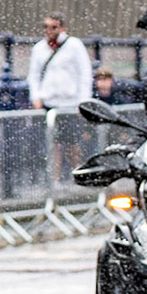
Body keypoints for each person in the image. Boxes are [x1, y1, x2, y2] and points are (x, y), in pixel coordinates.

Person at [28, 14, 94, 179]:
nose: (49, 31)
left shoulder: (74, 45)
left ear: (62, 28)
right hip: (49, 102)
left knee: (72, 143)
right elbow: (34, 75)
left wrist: (83, 101)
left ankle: (77, 175)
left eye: (53, 27)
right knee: (53, 143)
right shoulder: (39, 48)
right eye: (46, 27)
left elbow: (85, 73)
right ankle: (54, 179)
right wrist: (36, 96)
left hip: (70, 103)